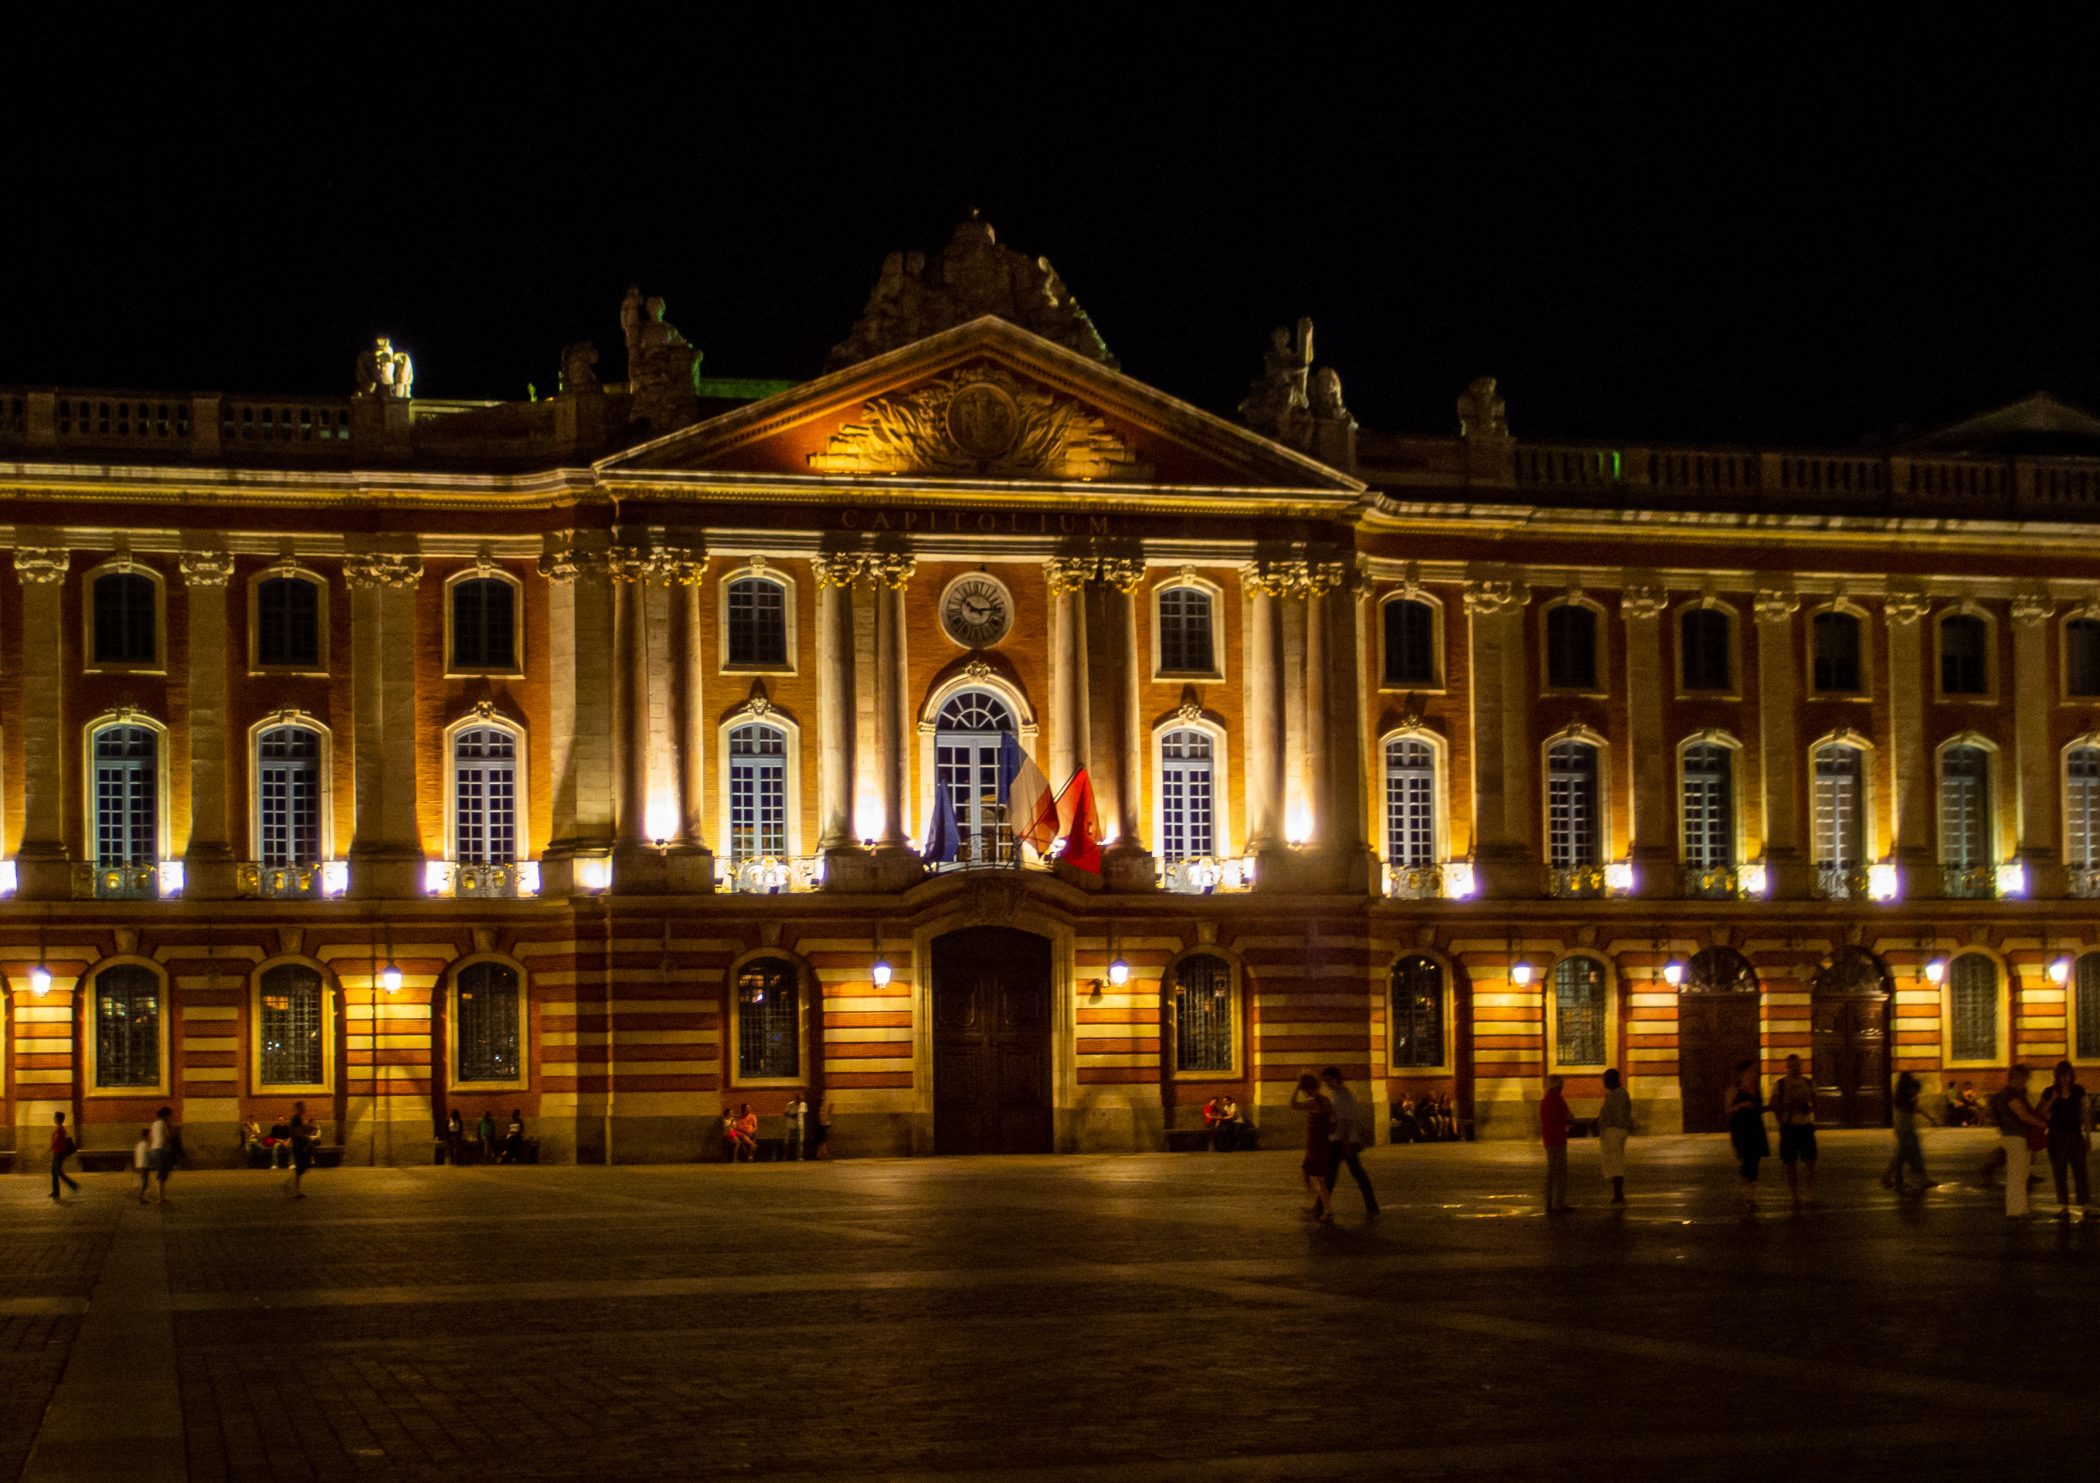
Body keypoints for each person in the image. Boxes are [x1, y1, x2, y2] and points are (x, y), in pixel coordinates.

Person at [1319, 1067, 1379, 1217]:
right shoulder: (1337, 1094)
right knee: (1352, 1174)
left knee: (1333, 1176)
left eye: (1328, 1080)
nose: (1326, 1084)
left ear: (1335, 1078)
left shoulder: (1343, 1096)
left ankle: (1319, 1209)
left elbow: (1346, 1121)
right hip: (1341, 1140)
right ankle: (1372, 1206)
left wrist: (1345, 1143)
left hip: (1342, 1141)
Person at [1987, 1064, 2046, 1219]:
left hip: (2014, 1136)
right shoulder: (2010, 1094)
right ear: (2018, 1077)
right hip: (2015, 1137)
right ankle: (2015, 1210)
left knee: (2021, 1174)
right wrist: (2043, 1124)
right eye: (2025, 1078)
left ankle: (2020, 1208)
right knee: (2017, 1175)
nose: (2026, 1082)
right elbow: (2023, 1115)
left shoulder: (2010, 1094)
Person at [2036, 1060, 2091, 1217]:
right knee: (2059, 1172)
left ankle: (2085, 1206)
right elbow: (2039, 1113)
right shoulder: (2049, 1092)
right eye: (2061, 1076)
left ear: (2071, 1076)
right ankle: (2064, 1207)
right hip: (2056, 1137)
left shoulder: (2079, 1091)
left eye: (2067, 1075)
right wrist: (2052, 1100)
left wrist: (2087, 1136)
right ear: (2057, 1076)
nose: (2064, 1079)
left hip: (2075, 1136)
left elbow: (2085, 1113)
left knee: (2080, 1171)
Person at [1771, 1053, 1819, 1210]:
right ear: (1787, 1067)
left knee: (1810, 1161)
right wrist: (1784, 1114)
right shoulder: (1780, 1084)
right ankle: (1795, 1195)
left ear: (1801, 1066)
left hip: (1805, 1125)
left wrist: (1809, 1108)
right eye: (1791, 1066)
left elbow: (1815, 1101)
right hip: (1789, 1127)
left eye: (1797, 1065)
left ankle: (1810, 1193)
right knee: (1790, 1163)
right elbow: (1774, 1105)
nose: (1794, 1069)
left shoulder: (1808, 1082)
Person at [1288, 1073, 1335, 1223]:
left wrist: (1297, 1087)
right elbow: (1333, 1122)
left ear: (1307, 1089)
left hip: (1317, 1145)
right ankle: (1319, 1206)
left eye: (1304, 1090)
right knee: (1308, 1170)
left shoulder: (1314, 1103)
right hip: (1319, 1143)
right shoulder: (1325, 1101)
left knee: (1319, 1179)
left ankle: (1328, 1210)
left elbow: (1293, 1104)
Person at [1727, 1060, 1768, 1222]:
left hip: (1756, 1129)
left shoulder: (1757, 1089)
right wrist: (1742, 1105)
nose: (1755, 1074)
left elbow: (1759, 1108)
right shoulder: (1734, 1089)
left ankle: (1749, 1197)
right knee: (1747, 1162)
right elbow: (1728, 1110)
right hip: (1741, 1130)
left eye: (1755, 1072)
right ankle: (1746, 1197)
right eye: (1751, 1071)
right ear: (1742, 1073)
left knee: (1754, 1162)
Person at [1884, 1070, 1931, 1193]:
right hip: (1906, 1128)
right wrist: (1928, 1116)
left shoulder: (1902, 1094)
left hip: (1903, 1126)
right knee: (1903, 1154)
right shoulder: (1905, 1096)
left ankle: (1918, 1178)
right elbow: (1912, 1109)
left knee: (1908, 1152)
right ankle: (1897, 1180)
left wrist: (1927, 1116)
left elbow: (1912, 1108)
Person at [1598, 1067, 1634, 1205]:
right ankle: (1617, 1194)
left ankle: (1618, 1194)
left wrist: (1610, 1125)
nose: (1604, 1082)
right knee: (1614, 1163)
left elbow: (1618, 1115)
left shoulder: (1617, 1094)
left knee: (1616, 1163)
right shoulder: (1618, 1093)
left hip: (1615, 1131)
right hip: (1614, 1131)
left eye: (1605, 1079)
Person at [1539, 1074, 1572, 1213]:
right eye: (1561, 1083)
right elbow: (1568, 1116)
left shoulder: (1545, 1100)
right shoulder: (1557, 1099)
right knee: (1559, 1172)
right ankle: (1557, 1203)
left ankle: (1548, 1202)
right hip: (1558, 1138)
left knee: (1551, 1171)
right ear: (1557, 1085)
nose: (1563, 1086)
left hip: (1549, 1138)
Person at [284, 1101, 315, 1198]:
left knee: (301, 1168)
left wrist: (308, 1128)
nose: (304, 1109)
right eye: (302, 1107)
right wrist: (306, 1137)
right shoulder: (296, 1119)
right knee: (300, 1168)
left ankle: (293, 1187)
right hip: (299, 1146)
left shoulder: (299, 1118)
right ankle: (295, 1190)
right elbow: (297, 1133)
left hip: (301, 1145)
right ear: (298, 1109)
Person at [49, 1111, 80, 1202]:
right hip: (58, 1152)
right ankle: (55, 1192)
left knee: (58, 1171)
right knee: (54, 1172)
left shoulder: (60, 1129)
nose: (53, 1118)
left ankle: (73, 1185)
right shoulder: (60, 1128)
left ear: (57, 1119)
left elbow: (56, 1139)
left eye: (54, 1117)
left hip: (59, 1152)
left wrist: (50, 1147)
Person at [149, 1106, 176, 1205]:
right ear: (165, 1116)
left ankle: (161, 1197)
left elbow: (152, 1137)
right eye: (169, 1115)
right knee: (162, 1174)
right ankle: (160, 1198)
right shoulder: (164, 1123)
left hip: (154, 1149)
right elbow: (169, 1136)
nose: (170, 1117)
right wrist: (172, 1128)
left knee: (161, 1173)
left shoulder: (154, 1124)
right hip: (161, 1150)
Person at [785, 1093, 809, 1162]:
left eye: (801, 1100)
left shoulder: (804, 1105)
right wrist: (792, 1115)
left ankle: (799, 1156)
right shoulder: (790, 1104)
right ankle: (786, 1155)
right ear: (796, 1099)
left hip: (800, 1124)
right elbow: (785, 1113)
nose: (800, 1102)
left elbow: (805, 1114)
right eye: (799, 1100)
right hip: (791, 1124)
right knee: (788, 1140)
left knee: (800, 1141)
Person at [134, 1127, 153, 1200]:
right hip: (145, 1165)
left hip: (139, 1165)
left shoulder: (139, 1144)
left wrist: (136, 1164)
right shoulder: (146, 1145)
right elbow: (149, 1155)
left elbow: (136, 1155)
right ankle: (141, 1196)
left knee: (142, 1180)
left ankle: (141, 1195)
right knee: (145, 1182)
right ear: (147, 1135)